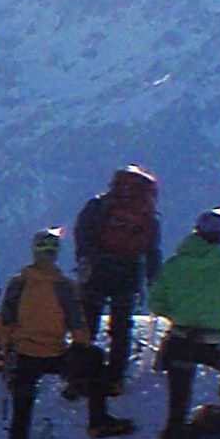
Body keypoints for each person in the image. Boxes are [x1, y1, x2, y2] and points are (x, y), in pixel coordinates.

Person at [0, 229, 128, 439]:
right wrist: (81, 349)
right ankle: (97, 420)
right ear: (55, 255)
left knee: (21, 419)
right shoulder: (64, 286)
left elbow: (5, 321)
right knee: (95, 361)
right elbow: (79, 326)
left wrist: (8, 349)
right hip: (55, 354)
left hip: (24, 356)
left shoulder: (18, 283)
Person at [147, 205, 220, 439]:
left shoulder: (175, 264)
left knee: (179, 399)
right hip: (212, 342)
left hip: (179, 339)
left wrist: (177, 312)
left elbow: (154, 301)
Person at [70, 164, 161, 393]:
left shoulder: (100, 205)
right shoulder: (147, 214)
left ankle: (78, 376)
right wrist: (153, 279)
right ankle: (114, 378)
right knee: (121, 327)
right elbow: (152, 250)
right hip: (128, 274)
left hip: (97, 270)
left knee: (87, 321)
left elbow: (81, 232)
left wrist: (85, 259)